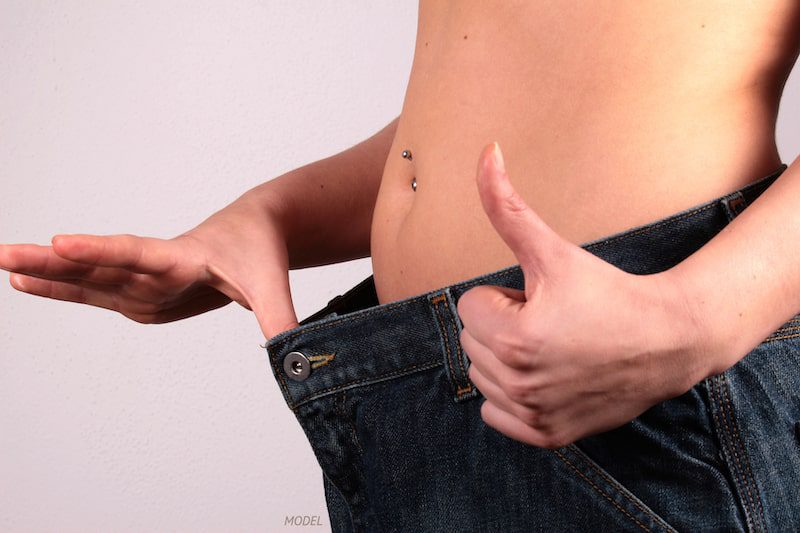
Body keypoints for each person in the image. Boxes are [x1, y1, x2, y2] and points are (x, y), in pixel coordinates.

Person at [2, 2, 800, 531]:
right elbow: (519, 99)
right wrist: (270, 214)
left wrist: (688, 322)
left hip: (637, 398)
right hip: (409, 399)